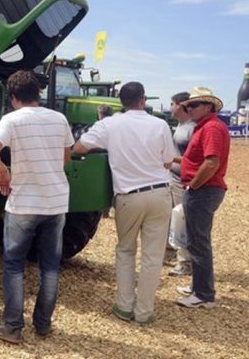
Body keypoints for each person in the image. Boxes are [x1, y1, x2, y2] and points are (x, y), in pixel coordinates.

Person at [0, 70, 74, 343]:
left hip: (23, 204)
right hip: (56, 203)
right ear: (38, 93)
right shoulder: (59, 119)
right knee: (50, 267)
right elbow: (66, 158)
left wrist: (3, 171)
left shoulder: (12, 119)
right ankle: (43, 325)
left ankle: (12, 327)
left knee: (13, 266)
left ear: (13, 98)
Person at [73, 82, 174, 326]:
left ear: (121, 101)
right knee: (153, 255)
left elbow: (79, 147)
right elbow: (168, 162)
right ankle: (144, 312)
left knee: (126, 250)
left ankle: (124, 305)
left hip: (128, 195)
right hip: (160, 193)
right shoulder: (160, 124)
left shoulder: (110, 123)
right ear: (143, 99)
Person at [175, 87, 230, 309]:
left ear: (209, 106)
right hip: (203, 189)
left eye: (194, 105)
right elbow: (201, 161)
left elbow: (211, 162)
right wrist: (175, 162)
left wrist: (193, 185)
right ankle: (199, 286)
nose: (190, 109)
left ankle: (204, 294)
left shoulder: (212, 128)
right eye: (188, 105)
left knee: (198, 242)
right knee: (195, 241)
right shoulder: (205, 127)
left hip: (203, 190)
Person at [166, 91, 195, 276]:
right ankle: (170, 254)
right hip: (173, 179)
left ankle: (185, 262)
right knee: (171, 220)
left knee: (183, 222)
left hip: (183, 182)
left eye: (171, 103)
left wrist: (169, 159)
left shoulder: (192, 128)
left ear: (179, 105)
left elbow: (194, 160)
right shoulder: (180, 125)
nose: (169, 107)